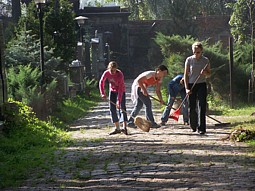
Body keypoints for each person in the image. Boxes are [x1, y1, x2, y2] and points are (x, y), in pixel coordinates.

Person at [184, 42, 211, 135]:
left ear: (201, 51)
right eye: (194, 52)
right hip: (191, 84)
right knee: (192, 106)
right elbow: (185, 75)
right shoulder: (189, 60)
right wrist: (187, 88)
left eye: (198, 52)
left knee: (202, 105)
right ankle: (193, 125)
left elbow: (209, 74)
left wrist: (205, 73)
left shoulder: (205, 60)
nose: (196, 54)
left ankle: (202, 128)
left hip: (201, 84)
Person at [99, 61, 128, 135]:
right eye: (111, 70)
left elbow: (121, 88)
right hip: (112, 91)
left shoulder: (120, 74)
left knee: (122, 107)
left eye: (114, 70)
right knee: (112, 108)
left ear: (116, 69)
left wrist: (119, 101)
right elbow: (101, 82)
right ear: (108, 68)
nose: (112, 72)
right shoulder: (106, 73)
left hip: (120, 91)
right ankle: (117, 128)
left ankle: (124, 127)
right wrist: (103, 93)